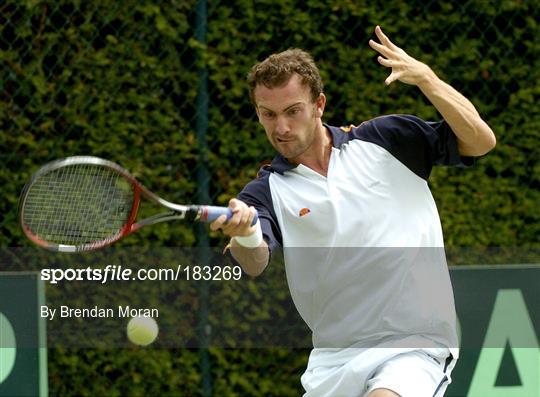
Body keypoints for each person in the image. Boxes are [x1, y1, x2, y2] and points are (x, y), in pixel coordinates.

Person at [211, 25, 496, 397]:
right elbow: (254, 261)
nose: (281, 127)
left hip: (412, 346)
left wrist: (426, 78)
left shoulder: (387, 140)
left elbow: (480, 140)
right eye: (268, 114)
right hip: (333, 362)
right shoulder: (265, 192)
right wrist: (247, 232)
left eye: (293, 111)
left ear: (319, 105)